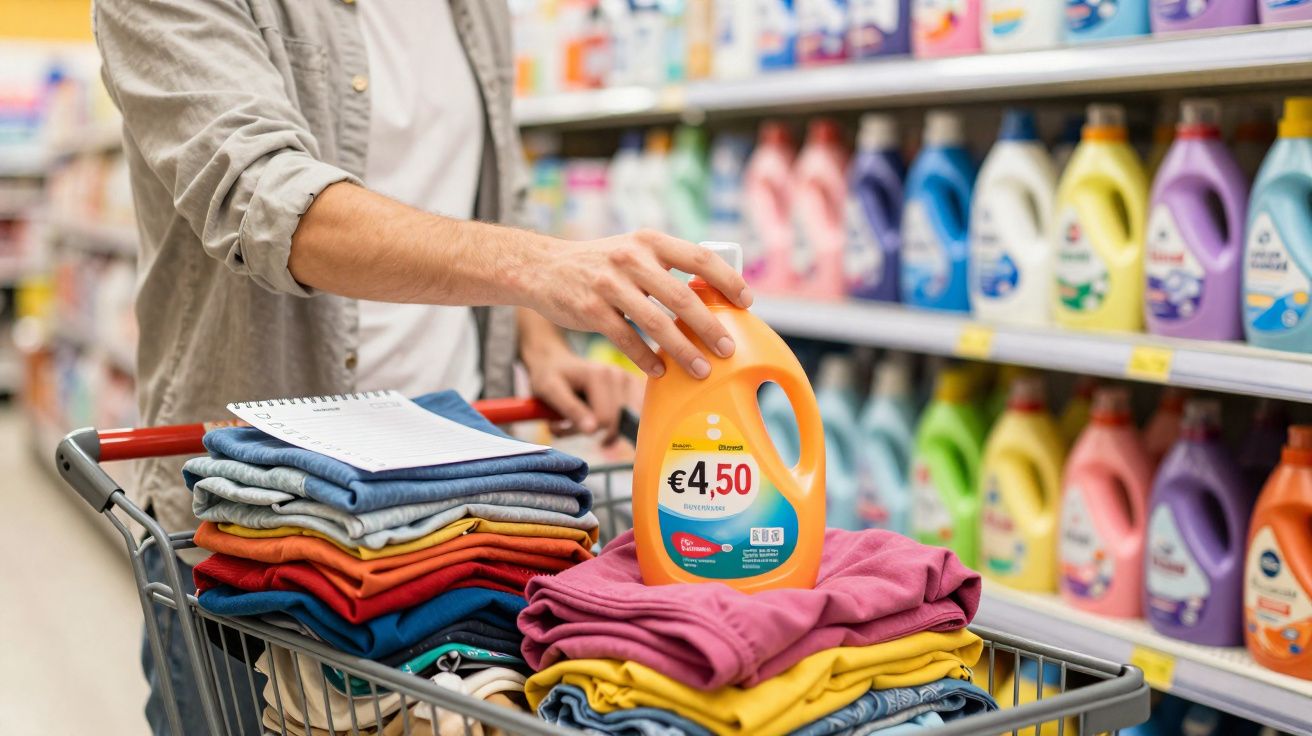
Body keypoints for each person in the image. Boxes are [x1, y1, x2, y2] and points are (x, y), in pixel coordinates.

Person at [92, 1, 751, 733]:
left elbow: (494, 193)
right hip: (261, 529)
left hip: (464, 511)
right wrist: (543, 267)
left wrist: (540, 343)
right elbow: (267, 200)